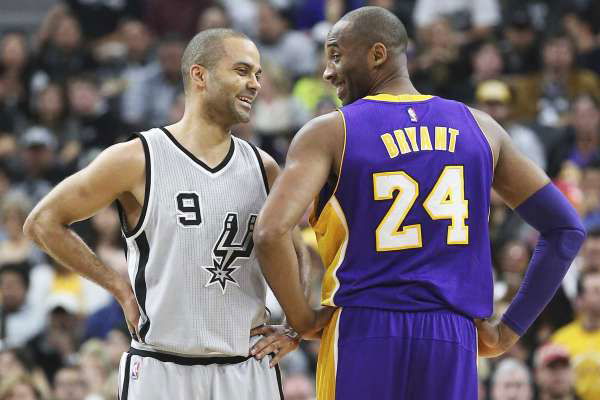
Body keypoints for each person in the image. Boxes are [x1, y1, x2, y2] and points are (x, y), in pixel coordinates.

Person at [253, 6, 586, 400]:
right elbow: (565, 229)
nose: (327, 71)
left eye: (336, 55)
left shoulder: (331, 131)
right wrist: (508, 331)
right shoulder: (480, 127)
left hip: (366, 326)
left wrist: (302, 321)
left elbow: (271, 231)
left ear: (378, 54)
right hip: (453, 336)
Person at [24, 28, 304, 400]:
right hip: (161, 368)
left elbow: (297, 249)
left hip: (244, 367)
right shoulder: (138, 157)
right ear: (199, 75)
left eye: (258, 74)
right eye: (241, 70)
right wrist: (119, 288)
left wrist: (294, 326)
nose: (254, 83)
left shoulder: (263, 166)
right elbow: (43, 222)